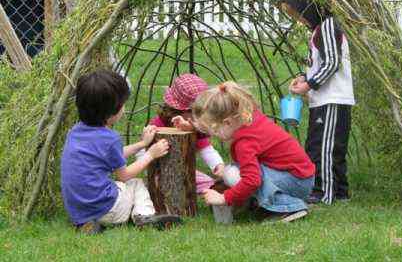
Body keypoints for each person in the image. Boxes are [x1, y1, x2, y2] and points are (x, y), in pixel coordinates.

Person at [61, 69, 181, 234]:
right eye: (123, 104)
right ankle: (144, 216)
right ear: (111, 112)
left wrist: (141, 144)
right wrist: (150, 154)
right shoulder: (110, 138)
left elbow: (110, 156)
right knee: (136, 184)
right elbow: (123, 175)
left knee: (117, 187)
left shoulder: (75, 132)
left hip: (78, 210)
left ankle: (89, 225)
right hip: (108, 209)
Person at [192, 81, 315, 223]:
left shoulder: (245, 142)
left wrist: (224, 198)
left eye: (215, 130)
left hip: (296, 181)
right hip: (301, 177)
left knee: (233, 174)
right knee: (235, 170)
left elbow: (252, 181)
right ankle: (262, 203)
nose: (214, 136)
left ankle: (289, 206)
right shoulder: (249, 119)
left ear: (227, 122)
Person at [281, 0, 355, 205]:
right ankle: (340, 192)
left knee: (324, 147)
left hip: (332, 99)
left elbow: (332, 62)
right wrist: (305, 77)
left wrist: (309, 85)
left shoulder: (328, 26)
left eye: (297, 13)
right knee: (321, 143)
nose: (298, 19)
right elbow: (321, 64)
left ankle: (325, 191)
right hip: (323, 99)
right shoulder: (318, 29)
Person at [148, 74, 224, 193]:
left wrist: (218, 165)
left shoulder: (194, 126)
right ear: (178, 110)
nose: (198, 117)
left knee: (207, 182)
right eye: (194, 113)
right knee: (160, 184)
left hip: (184, 170)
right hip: (161, 171)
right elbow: (143, 150)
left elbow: (206, 149)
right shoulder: (158, 124)